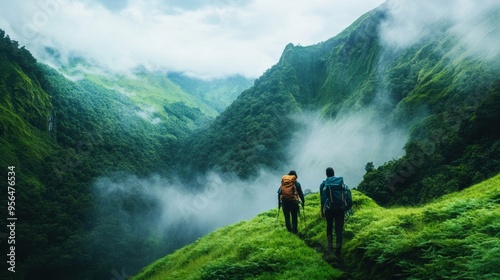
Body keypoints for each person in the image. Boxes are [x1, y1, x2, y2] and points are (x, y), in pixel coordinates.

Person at [320, 167, 346, 257]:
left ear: (326, 174)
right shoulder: (340, 183)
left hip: (329, 209)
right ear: (334, 173)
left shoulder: (323, 184)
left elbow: (322, 200)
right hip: (340, 208)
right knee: (339, 230)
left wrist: (322, 211)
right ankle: (338, 251)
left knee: (329, 227)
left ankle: (330, 247)